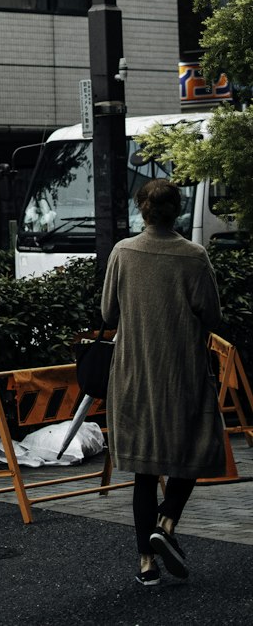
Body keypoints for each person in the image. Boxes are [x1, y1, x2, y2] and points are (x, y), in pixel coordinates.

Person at [100, 178, 226, 587]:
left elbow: (107, 313)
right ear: (179, 209)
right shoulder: (193, 256)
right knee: (196, 446)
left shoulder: (123, 251)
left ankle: (146, 564)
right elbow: (212, 315)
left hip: (133, 372)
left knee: (143, 467)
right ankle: (167, 521)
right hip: (181, 372)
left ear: (142, 209)